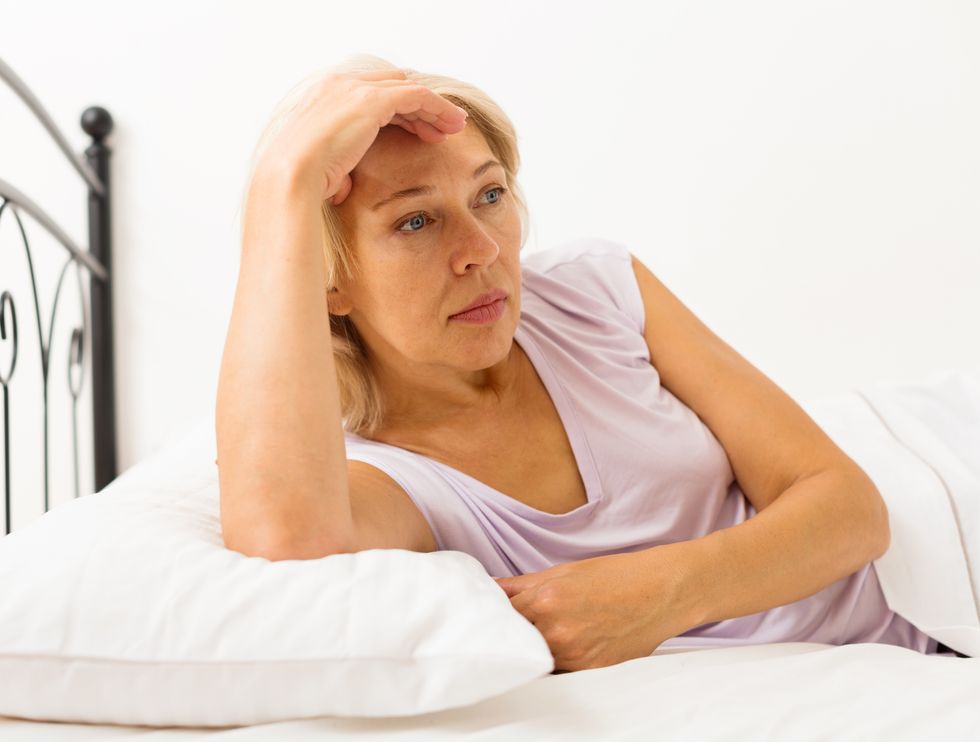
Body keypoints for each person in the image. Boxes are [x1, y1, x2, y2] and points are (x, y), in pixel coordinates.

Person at [215, 53, 951, 671]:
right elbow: (285, 547)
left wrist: (660, 593)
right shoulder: (388, 481)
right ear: (329, 278)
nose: (484, 251)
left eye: (490, 194)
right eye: (415, 220)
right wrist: (283, 185)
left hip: (937, 582)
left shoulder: (594, 290)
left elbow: (849, 508)